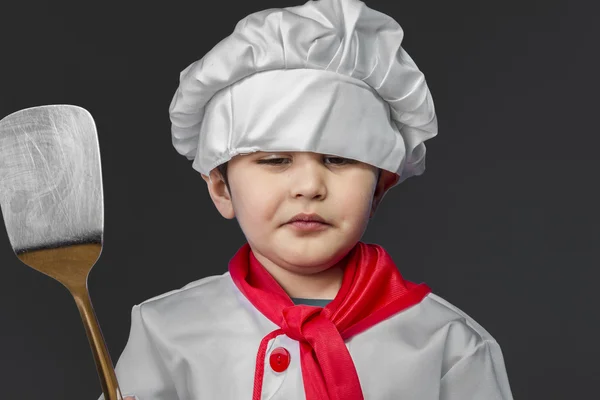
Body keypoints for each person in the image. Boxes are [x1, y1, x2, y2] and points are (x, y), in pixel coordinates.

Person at [101, 0, 514, 399]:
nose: (309, 186)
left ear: (379, 189)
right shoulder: (166, 331)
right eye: (276, 160)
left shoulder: (449, 343)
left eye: (338, 158)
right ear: (221, 189)